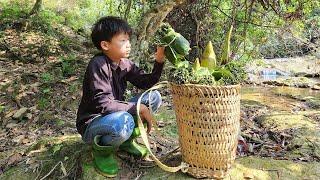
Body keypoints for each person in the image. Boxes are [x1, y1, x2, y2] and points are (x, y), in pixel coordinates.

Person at [76, 16, 165, 177]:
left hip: (114, 115)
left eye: (128, 40)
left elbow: (146, 82)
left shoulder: (124, 63)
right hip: (94, 122)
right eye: (123, 40)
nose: (128, 44)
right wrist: (139, 108)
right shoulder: (98, 65)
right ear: (105, 45)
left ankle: (125, 141)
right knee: (124, 120)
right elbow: (104, 104)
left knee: (154, 97)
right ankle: (102, 152)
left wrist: (159, 61)